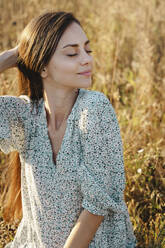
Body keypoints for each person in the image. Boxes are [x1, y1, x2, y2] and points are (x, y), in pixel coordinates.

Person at [0, 11, 137, 248]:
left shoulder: (94, 109)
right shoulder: (25, 115)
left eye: (87, 50)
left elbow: (96, 208)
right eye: (72, 53)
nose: (86, 59)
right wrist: (14, 54)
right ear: (42, 67)